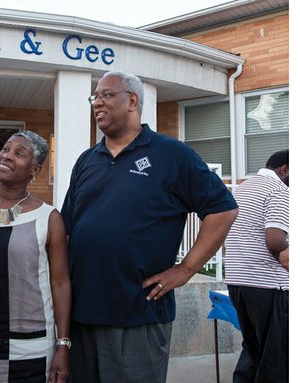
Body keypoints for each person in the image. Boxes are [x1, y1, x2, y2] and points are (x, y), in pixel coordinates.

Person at [60, 71, 239, 382]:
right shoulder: (87, 160)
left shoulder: (172, 155)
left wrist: (185, 269)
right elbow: (67, 228)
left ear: (132, 101)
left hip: (138, 314)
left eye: (106, 95)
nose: (97, 102)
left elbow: (222, 210)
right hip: (82, 313)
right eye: (95, 97)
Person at [0, 131, 71, 383]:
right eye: (5, 149)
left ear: (35, 169)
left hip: (29, 349)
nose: (6, 156)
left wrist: (63, 344)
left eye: (19, 153)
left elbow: (60, 283)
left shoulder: (48, 218)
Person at [224, 149, 289, 383]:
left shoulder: (244, 189)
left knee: (253, 349)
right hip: (270, 285)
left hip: (238, 282)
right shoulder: (279, 191)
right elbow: (275, 240)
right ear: (285, 169)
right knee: (277, 358)